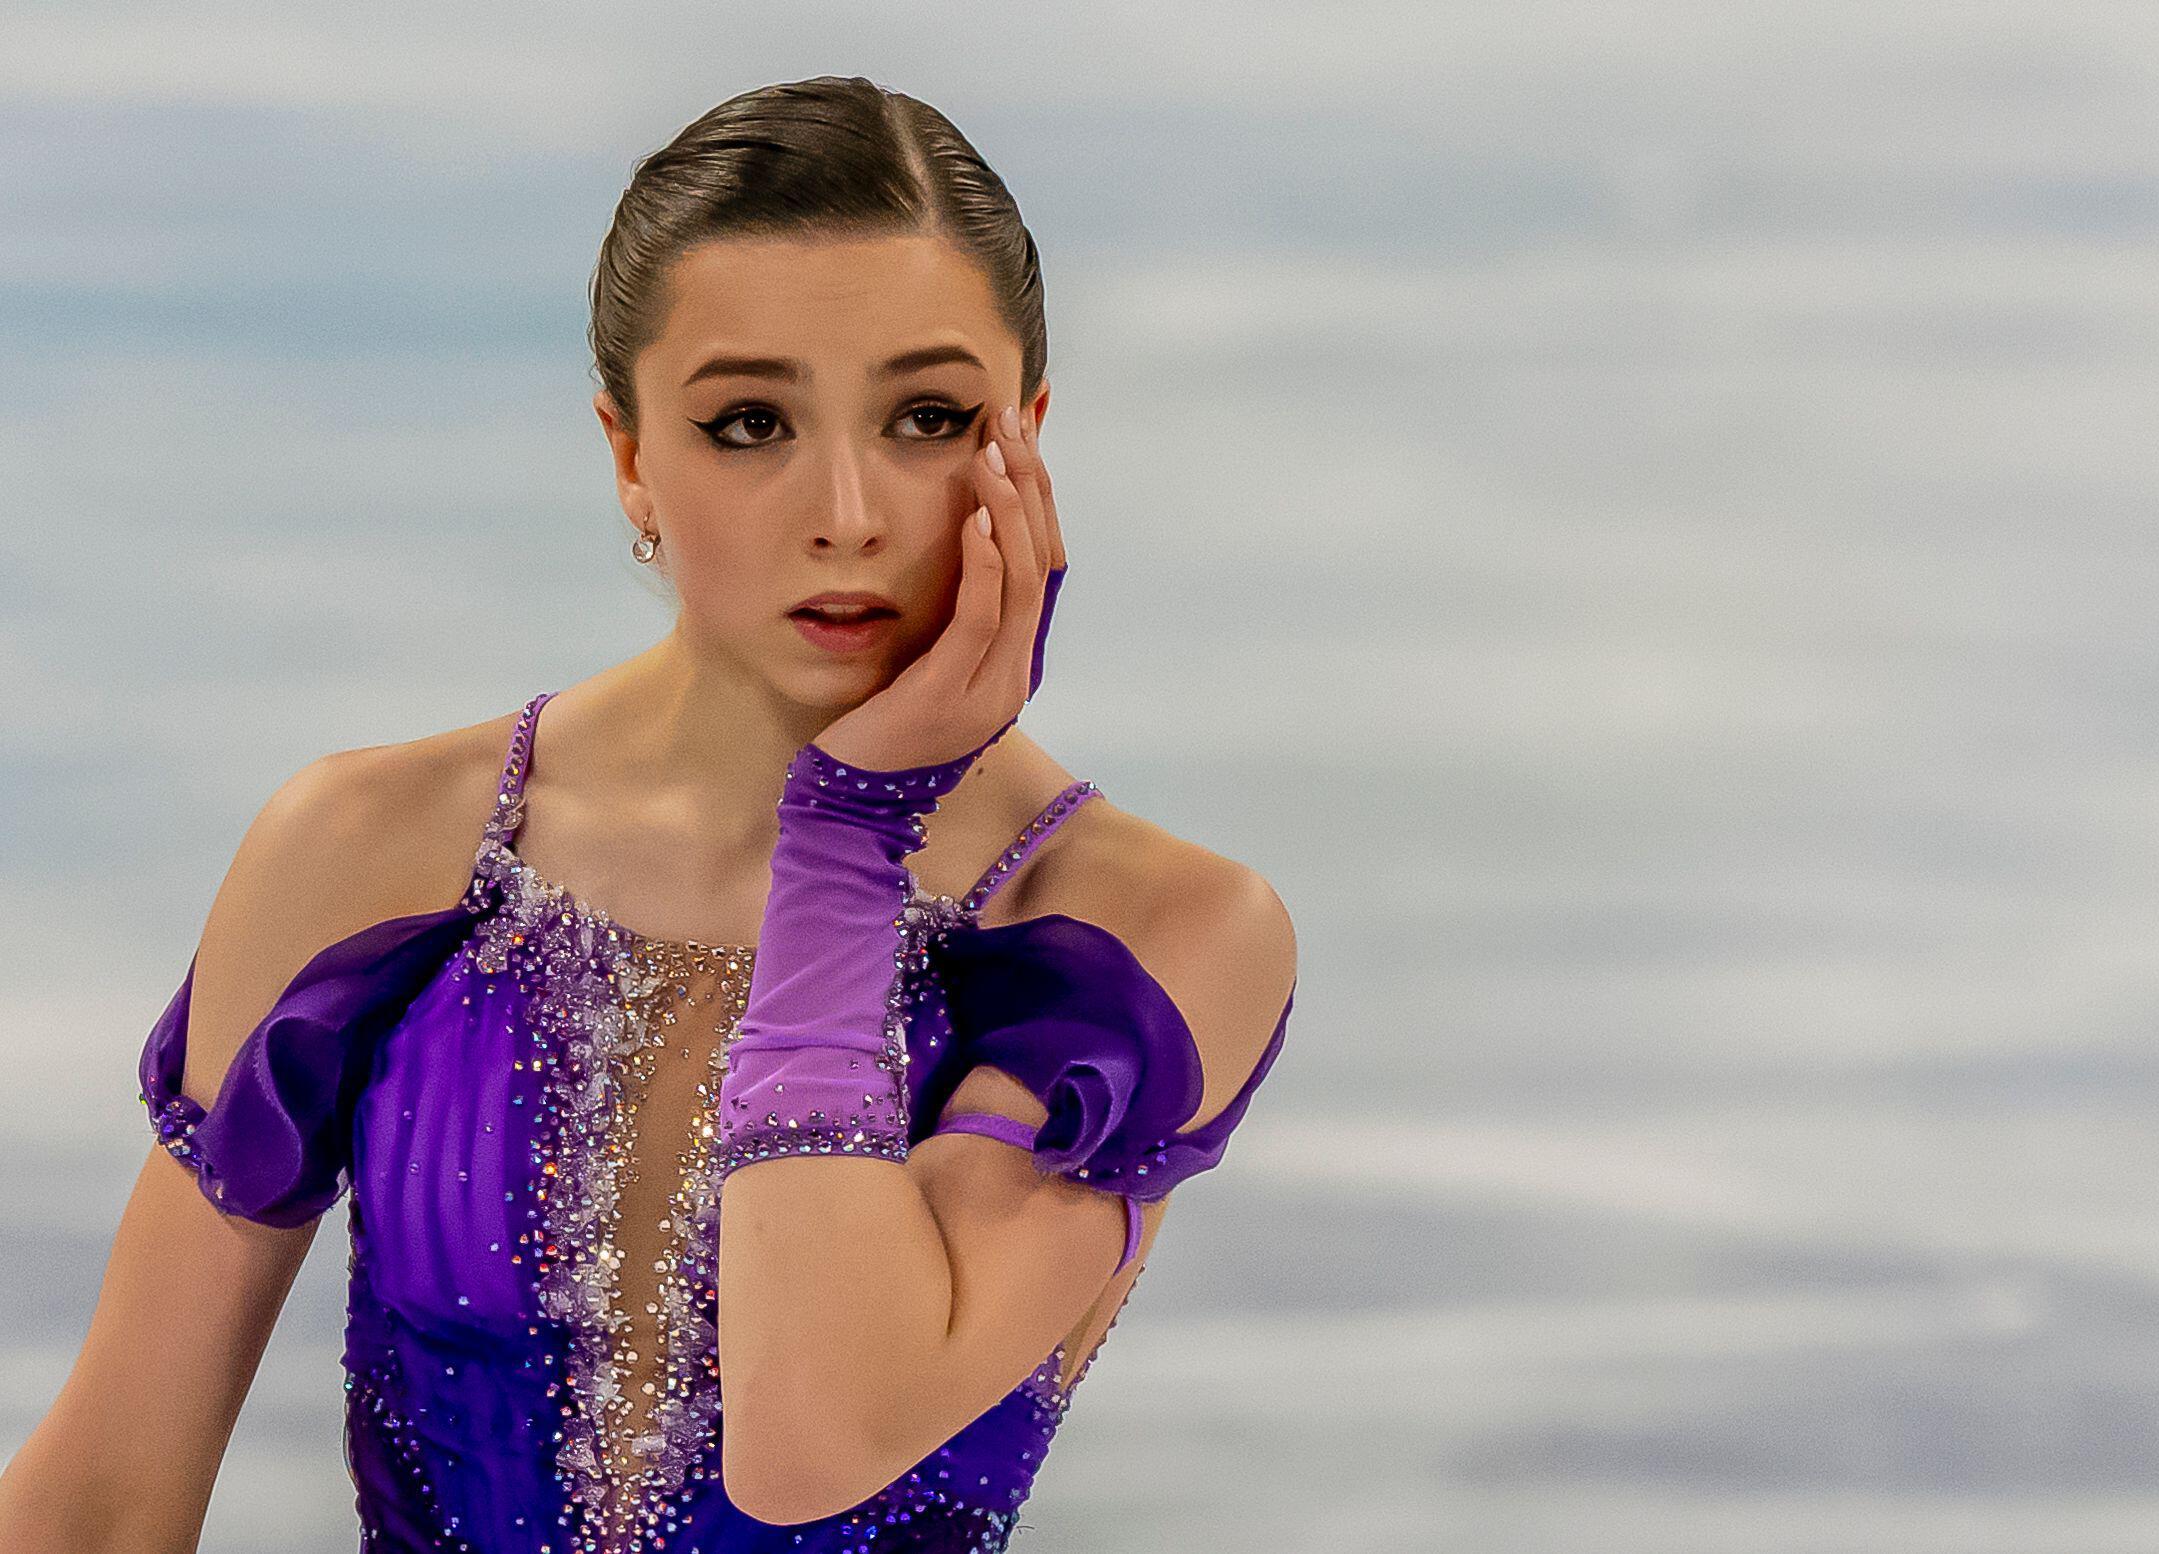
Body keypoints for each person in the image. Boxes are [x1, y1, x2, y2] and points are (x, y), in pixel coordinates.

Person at [0, 75, 1297, 1552]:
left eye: (928, 417)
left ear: (1028, 439)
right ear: (630, 455)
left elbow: (814, 1436)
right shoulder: (372, 850)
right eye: (750, 422)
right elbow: (101, 1503)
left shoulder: (1139, 939)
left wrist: (851, 835)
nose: (850, 510)